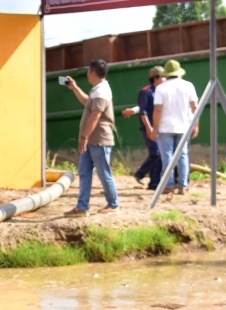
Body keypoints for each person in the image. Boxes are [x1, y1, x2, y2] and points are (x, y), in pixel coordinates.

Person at [59, 59, 119, 213]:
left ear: (93, 73)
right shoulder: (98, 90)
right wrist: (74, 88)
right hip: (90, 141)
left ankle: (113, 205)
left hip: (99, 141)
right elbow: (87, 103)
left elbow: (95, 116)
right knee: (85, 173)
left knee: (104, 173)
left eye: (88, 71)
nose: (87, 74)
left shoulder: (102, 91)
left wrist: (84, 137)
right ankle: (82, 207)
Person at [150, 59, 199, 194]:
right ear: (179, 73)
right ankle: (183, 186)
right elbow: (195, 107)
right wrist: (196, 125)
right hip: (184, 126)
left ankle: (169, 185)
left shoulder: (161, 88)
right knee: (183, 155)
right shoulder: (188, 85)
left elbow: (158, 110)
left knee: (167, 157)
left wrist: (155, 128)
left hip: (165, 127)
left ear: (166, 73)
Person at [122, 66, 165, 189]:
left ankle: (154, 183)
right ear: (156, 78)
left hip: (160, 127)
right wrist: (149, 128)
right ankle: (140, 174)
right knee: (156, 153)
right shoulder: (146, 91)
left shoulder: (161, 91)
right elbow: (144, 111)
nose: (166, 79)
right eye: (163, 77)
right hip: (150, 127)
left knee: (159, 155)